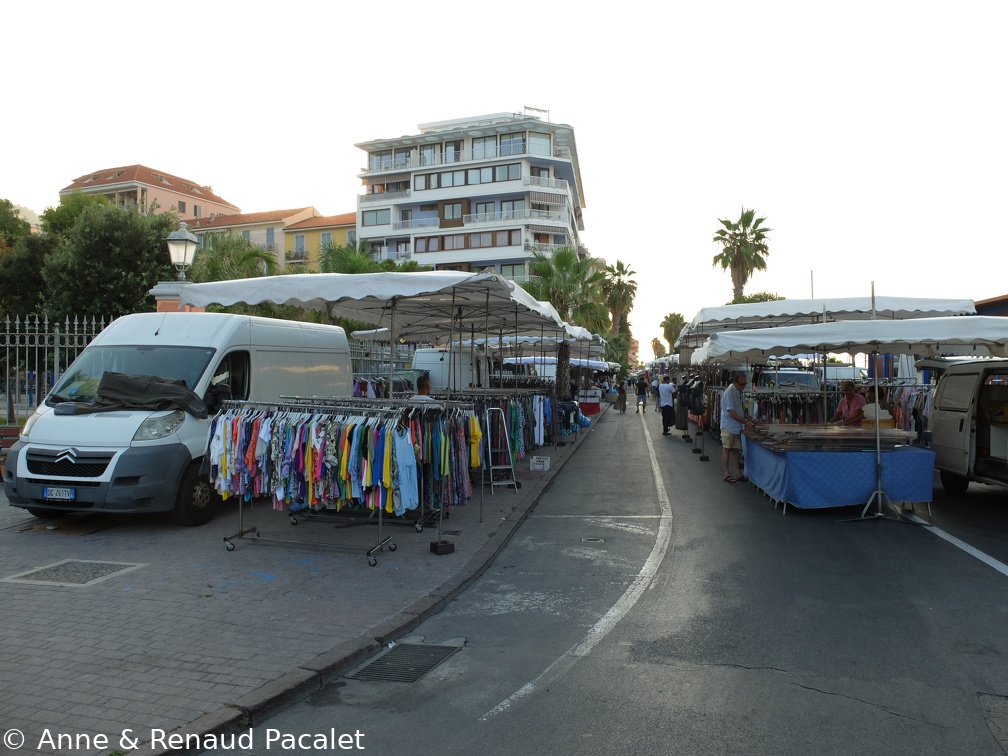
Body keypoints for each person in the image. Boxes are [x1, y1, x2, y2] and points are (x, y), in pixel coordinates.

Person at [720, 371, 756, 483]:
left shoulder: (739, 393)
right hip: (728, 425)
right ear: (735, 382)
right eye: (741, 384)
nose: (742, 387)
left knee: (735, 450)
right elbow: (731, 411)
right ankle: (726, 474)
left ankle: (737, 473)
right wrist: (746, 422)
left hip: (736, 426)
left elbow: (741, 411)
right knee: (727, 449)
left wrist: (752, 419)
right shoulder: (729, 392)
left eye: (744, 384)